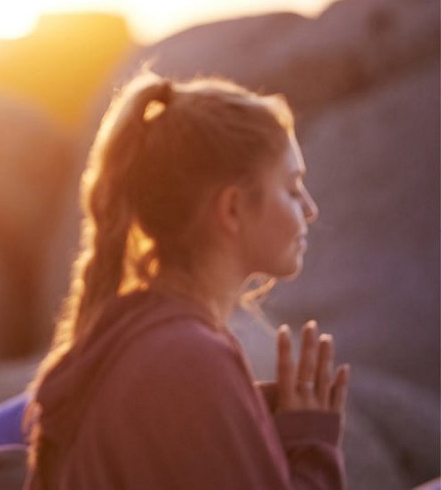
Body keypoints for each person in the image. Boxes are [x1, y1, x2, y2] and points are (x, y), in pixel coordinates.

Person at [23, 70, 349, 489]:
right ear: (232, 209)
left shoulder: (135, 338)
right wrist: (311, 445)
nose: (310, 209)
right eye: (291, 187)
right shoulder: (188, 359)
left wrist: (261, 425)